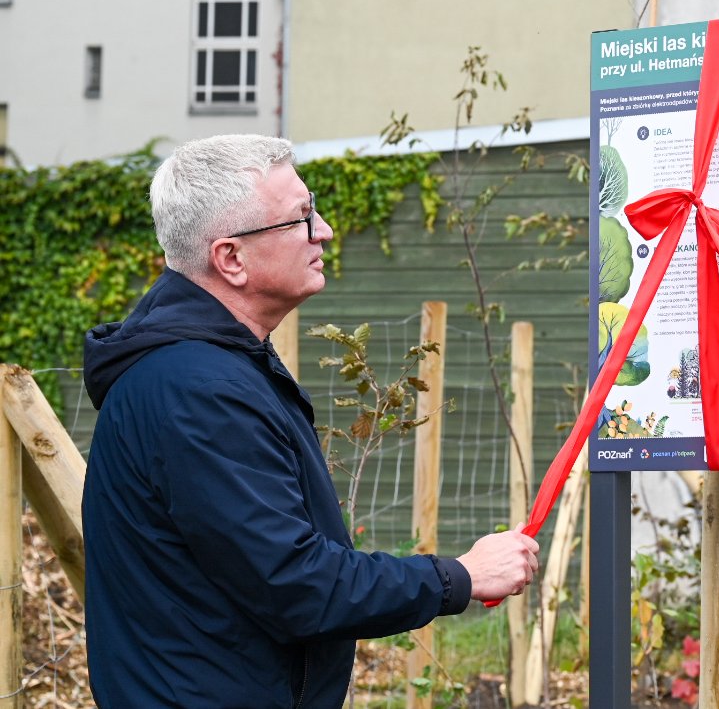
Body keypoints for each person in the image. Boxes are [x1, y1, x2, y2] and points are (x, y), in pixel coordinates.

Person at [82, 134, 540, 708]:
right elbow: (294, 583)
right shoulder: (197, 392)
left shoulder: (214, 366)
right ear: (230, 258)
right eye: (300, 218)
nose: (323, 230)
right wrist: (461, 576)